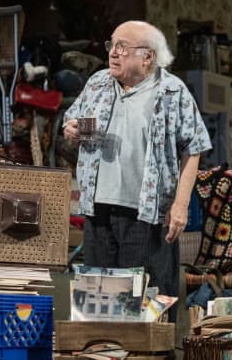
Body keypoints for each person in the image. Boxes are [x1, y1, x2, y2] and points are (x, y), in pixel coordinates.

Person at [62, 21, 211, 311]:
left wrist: (180, 206)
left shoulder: (171, 92)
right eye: (112, 45)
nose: (114, 53)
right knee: (99, 306)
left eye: (123, 47)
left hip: (148, 215)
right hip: (98, 210)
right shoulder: (98, 83)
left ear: (148, 56)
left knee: (146, 306)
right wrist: (72, 131)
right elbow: (74, 128)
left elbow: (195, 148)